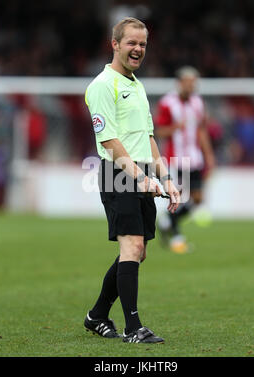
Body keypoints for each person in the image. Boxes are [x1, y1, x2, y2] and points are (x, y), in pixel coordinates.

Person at [84, 17, 180, 344]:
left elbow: (149, 138)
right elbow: (110, 141)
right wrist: (140, 178)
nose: (138, 49)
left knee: (138, 252)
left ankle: (97, 315)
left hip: (141, 174)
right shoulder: (101, 85)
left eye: (142, 44)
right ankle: (132, 328)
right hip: (119, 174)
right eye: (131, 43)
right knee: (132, 245)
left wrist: (166, 179)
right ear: (115, 44)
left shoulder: (136, 85)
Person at [154, 66, 215, 254]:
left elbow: (201, 131)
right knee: (177, 198)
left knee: (198, 199)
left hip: (194, 158)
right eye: (188, 83)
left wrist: (209, 155)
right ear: (179, 83)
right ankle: (177, 239)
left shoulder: (197, 103)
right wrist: (175, 127)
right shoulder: (167, 103)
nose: (191, 87)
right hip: (175, 158)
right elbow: (159, 132)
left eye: (193, 83)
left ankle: (166, 222)